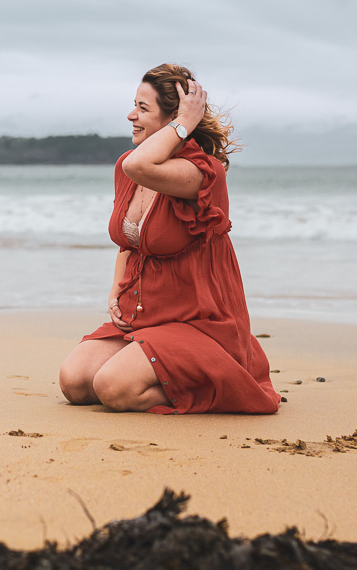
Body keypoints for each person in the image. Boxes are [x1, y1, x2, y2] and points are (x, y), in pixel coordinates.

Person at [58, 63, 280, 414]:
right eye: (134, 104)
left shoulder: (202, 172)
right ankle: (154, 372)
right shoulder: (126, 166)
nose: (131, 115)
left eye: (143, 109)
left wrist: (185, 124)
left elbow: (140, 166)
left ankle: (219, 381)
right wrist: (116, 289)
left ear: (175, 119)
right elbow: (128, 243)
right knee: (75, 381)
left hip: (197, 321)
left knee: (113, 388)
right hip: (144, 313)